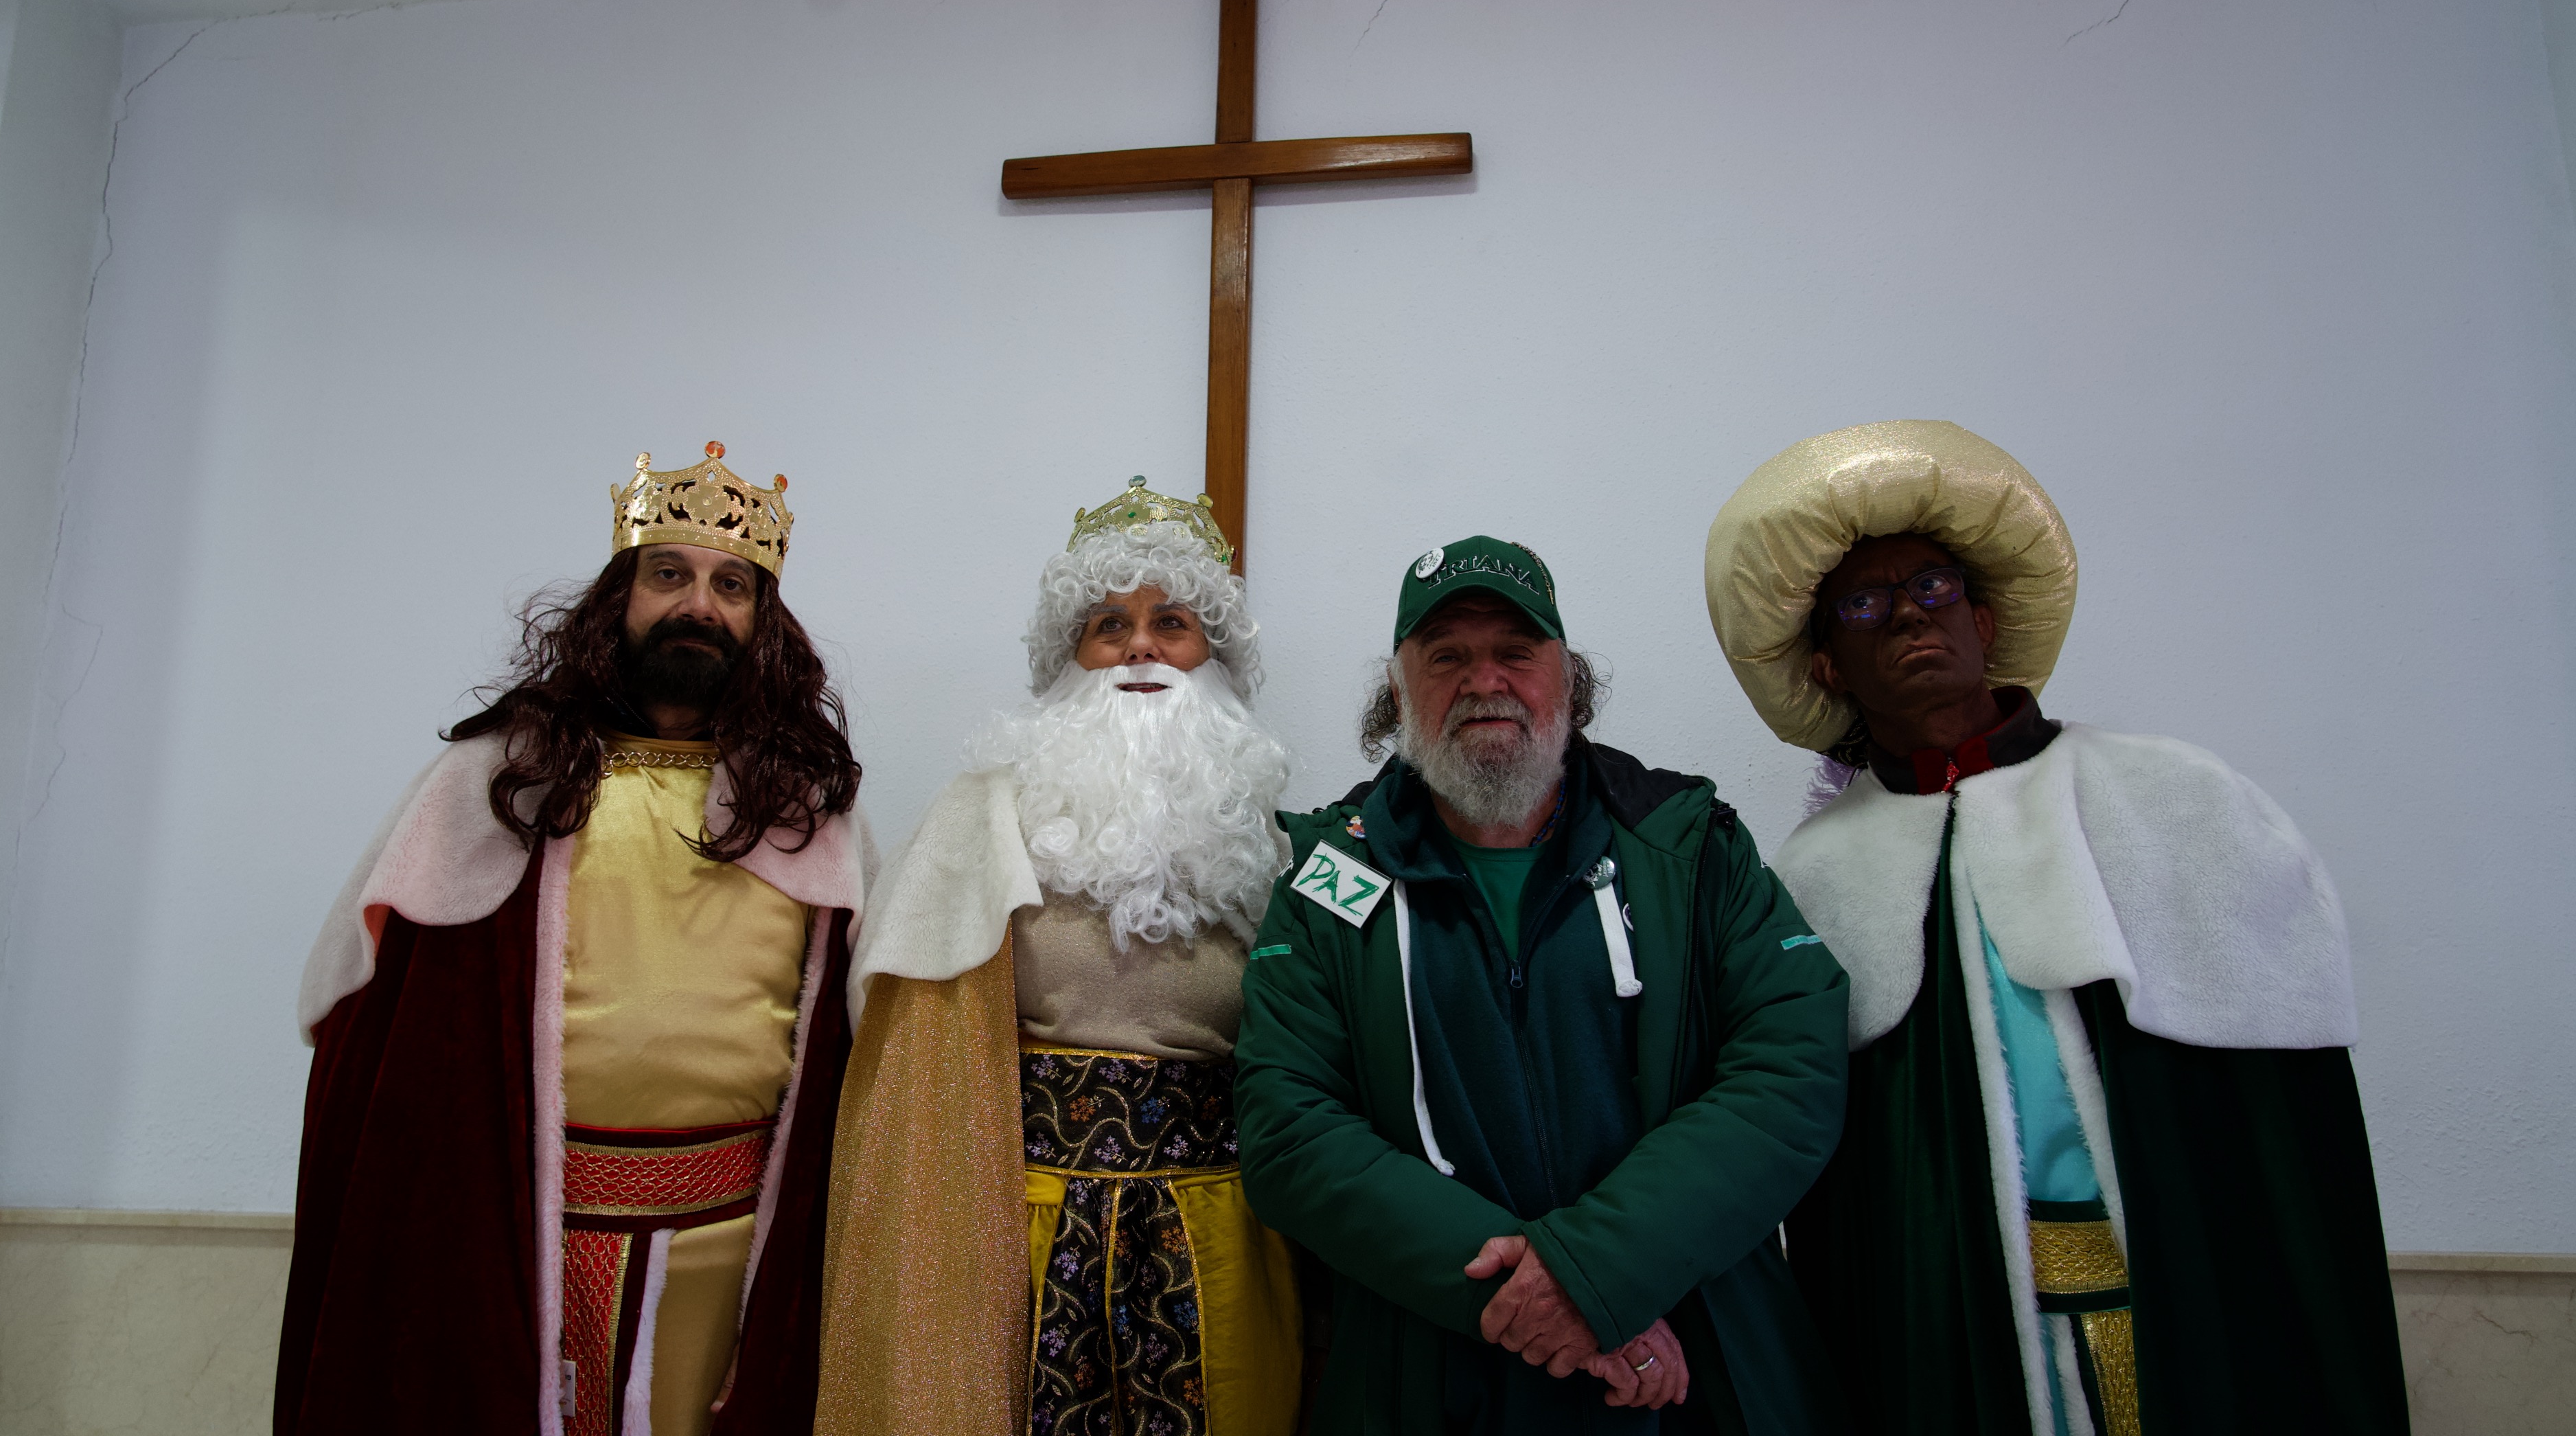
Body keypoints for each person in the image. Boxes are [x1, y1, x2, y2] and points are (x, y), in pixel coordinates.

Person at [1702, 420, 2408, 1434]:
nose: (1910, 616)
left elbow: (2285, 1142)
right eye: (1866, 604)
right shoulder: (1811, 880)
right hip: (1954, 1322)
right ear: (1826, 668)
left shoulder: (2178, 799)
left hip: (2185, 1286)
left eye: (1935, 589)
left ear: (1986, 621)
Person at [277, 443, 871, 1436]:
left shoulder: (806, 807)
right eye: (668, 574)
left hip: (733, 1236)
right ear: (618, 598)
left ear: (766, 624)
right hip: (522, 1225)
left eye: (733, 586)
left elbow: (854, 1045)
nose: (700, 606)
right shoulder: (500, 782)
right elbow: (382, 1030)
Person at [1232, 536, 1851, 1434]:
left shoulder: (1687, 848)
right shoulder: (1334, 879)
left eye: (1515, 653)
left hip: (1688, 1366)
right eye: (1446, 656)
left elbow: (1793, 1064)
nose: (1484, 679)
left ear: (1570, 682)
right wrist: (1529, 1298)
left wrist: (1597, 1274)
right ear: (1397, 694)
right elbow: (1288, 1132)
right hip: (1431, 1376)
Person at [813, 479, 1303, 1436]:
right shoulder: (988, 815)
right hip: (1023, 1230)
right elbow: (903, 1046)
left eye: (1175, 623)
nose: (1142, 649)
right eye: (1108, 625)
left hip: (1227, 1237)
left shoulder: (1269, 841)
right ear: (1070, 661)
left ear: (1216, 659)